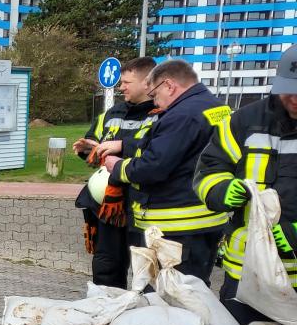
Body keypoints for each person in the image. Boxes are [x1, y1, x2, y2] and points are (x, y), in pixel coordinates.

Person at [195, 44, 297, 324]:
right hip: (243, 277)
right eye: (290, 89)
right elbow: (209, 170)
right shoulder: (243, 121)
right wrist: (221, 190)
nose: (295, 98)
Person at [102, 59, 229, 282]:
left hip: (176, 227)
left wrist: (118, 167)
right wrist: (126, 145)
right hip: (207, 219)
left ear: (169, 86)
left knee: (167, 294)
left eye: (154, 94)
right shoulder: (215, 107)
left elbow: (154, 166)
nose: (156, 102)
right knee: (194, 290)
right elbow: (181, 149)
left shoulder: (182, 115)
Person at [72, 57, 157, 289]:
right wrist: (88, 150)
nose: (121, 87)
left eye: (127, 82)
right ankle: (106, 316)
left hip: (144, 207)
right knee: (106, 267)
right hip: (108, 207)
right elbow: (98, 150)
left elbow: (159, 152)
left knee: (147, 274)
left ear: (147, 83)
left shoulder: (163, 114)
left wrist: (122, 145)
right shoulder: (110, 114)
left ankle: (144, 320)